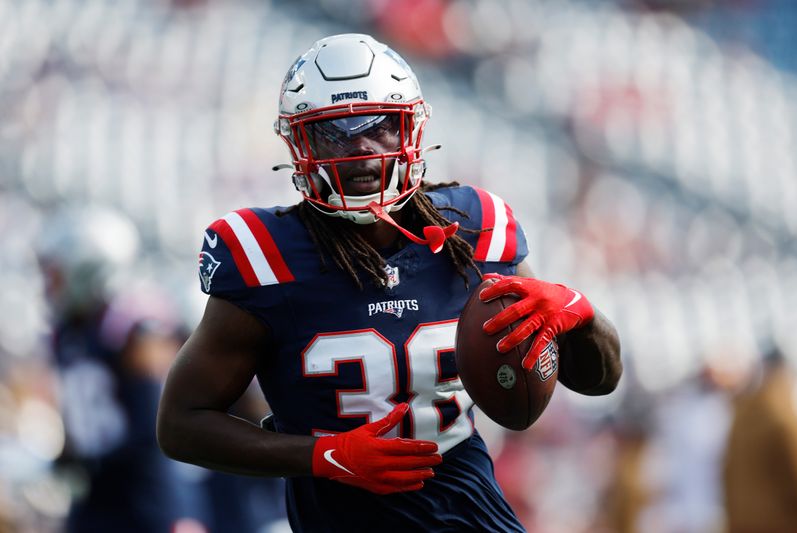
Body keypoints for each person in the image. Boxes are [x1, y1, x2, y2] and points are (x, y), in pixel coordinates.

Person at [157, 33, 622, 532]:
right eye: (333, 132)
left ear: (412, 129)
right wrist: (324, 455)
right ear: (299, 144)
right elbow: (182, 424)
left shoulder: (476, 228)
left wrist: (580, 313)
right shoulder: (265, 254)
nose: (360, 148)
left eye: (380, 126)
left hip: (472, 515)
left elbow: (600, 379)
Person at [37, 207, 208, 533]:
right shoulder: (66, 332)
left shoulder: (131, 327)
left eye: (54, 272)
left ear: (86, 267)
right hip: (96, 490)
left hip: (146, 491)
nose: (47, 283)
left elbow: (156, 427)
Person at [722, 345, 797, 532]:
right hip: (779, 522)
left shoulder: (741, 414)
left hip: (743, 521)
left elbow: (726, 471)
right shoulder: (781, 415)